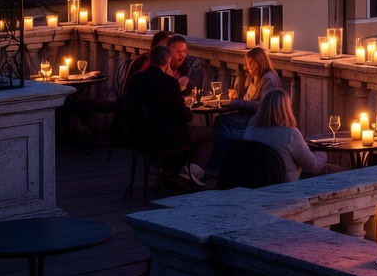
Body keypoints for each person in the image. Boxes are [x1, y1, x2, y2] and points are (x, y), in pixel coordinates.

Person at [123, 44, 215, 183]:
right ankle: (192, 174)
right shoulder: (168, 82)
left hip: (139, 137)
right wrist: (187, 108)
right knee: (210, 135)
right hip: (164, 139)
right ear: (167, 61)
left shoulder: (135, 79)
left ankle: (174, 170)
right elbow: (183, 116)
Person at [209, 47, 283, 175]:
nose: (247, 66)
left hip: (260, 118)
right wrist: (236, 97)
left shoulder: (268, 79)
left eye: (250, 63)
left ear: (259, 62)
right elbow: (248, 99)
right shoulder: (255, 76)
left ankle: (218, 166)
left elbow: (263, 105)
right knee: (221, 121)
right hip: (251, 115)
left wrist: (238, 103)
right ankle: (221, 164)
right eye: (247, 63)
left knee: (223, 123)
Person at [243, 90, 335, 181]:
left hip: (258, 183)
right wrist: (322, 152)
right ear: (286, 108)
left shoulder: (250, 130)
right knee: (336, 170)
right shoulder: (290, 134)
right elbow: (313, 166)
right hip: (287, 185)